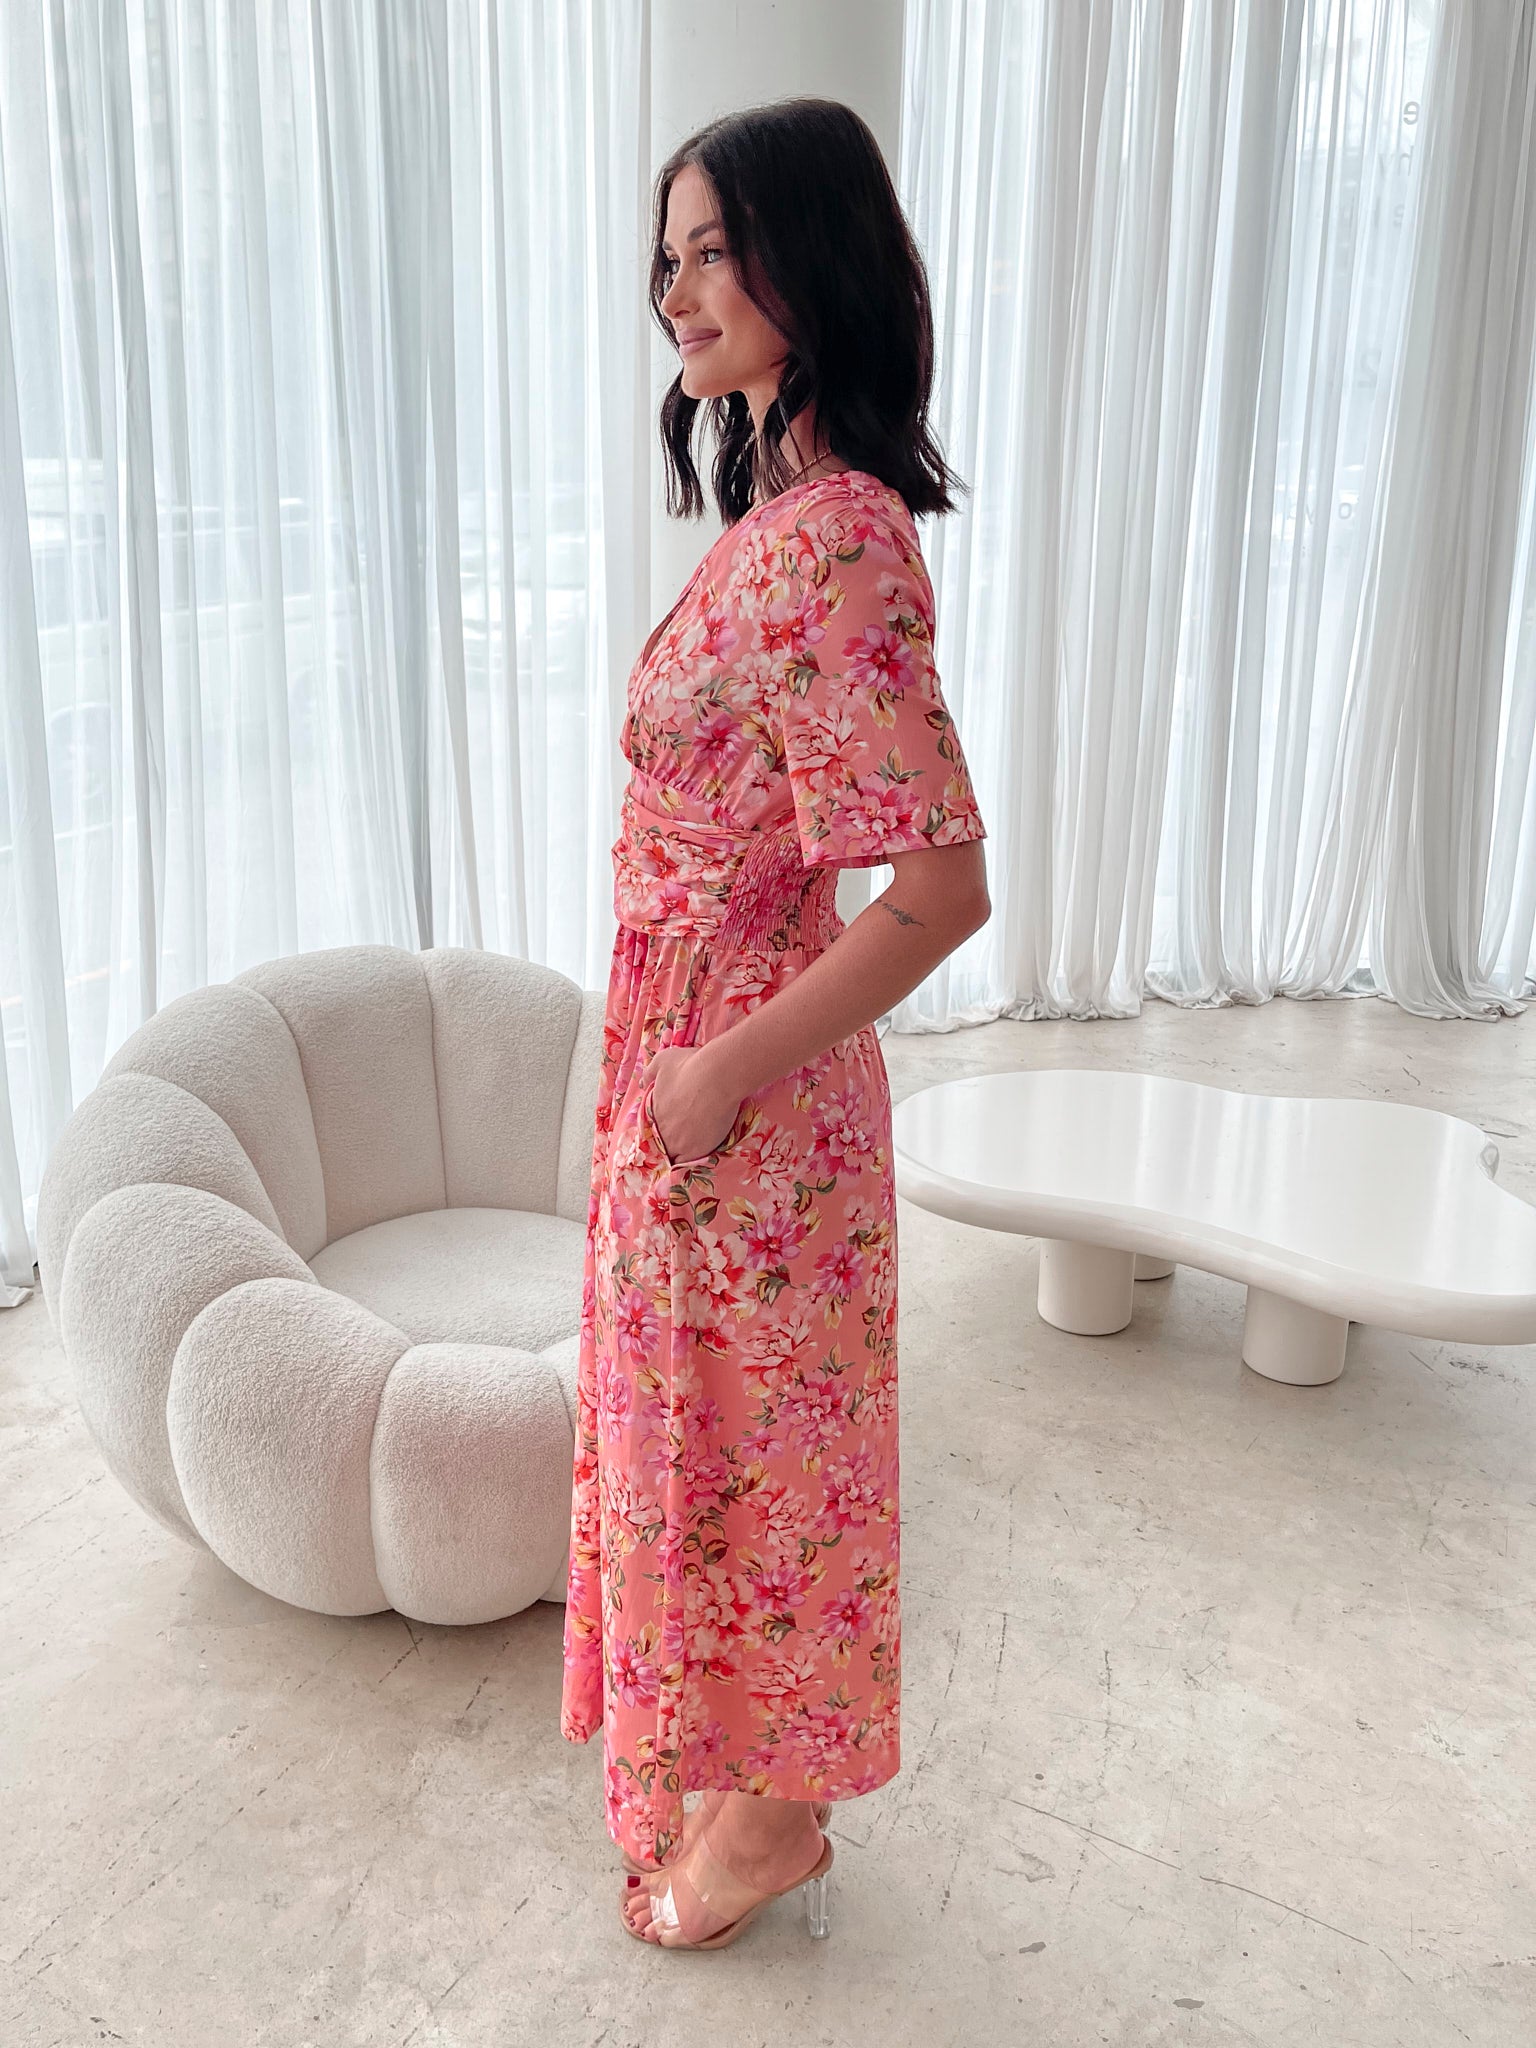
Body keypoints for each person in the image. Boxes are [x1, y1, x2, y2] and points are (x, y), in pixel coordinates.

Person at [559, 97, 991, 1951]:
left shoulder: (836, 540)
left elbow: (944, 892)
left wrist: (726, 1069)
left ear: (807, 257)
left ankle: (775, 1821)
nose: (677, 288)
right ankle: (744, 1793)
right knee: (715, 1447)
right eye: (667, 253)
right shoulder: (777, 513)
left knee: (771, 1454)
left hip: (754, 1087)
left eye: (713, 247)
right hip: (694, 1073)